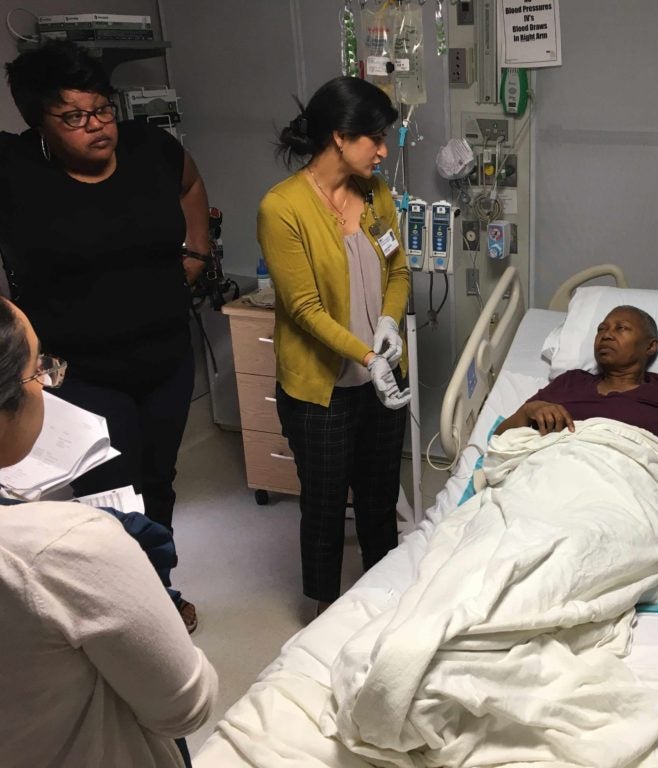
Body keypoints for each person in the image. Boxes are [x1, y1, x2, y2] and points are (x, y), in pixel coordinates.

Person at [0, 41, 212, 630]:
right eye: (74, 116)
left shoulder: (151, 148)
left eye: (102, 109)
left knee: (159, 479)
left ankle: (159, 586)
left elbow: (191, 184)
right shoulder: (15, 170)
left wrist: (197, 251)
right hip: (79, 371)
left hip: (167, 355)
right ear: (39, 124)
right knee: (109, 488)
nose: (96, 125)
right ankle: (124, 605)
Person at [0, 297, 217, 768]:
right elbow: (188, 705)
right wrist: (135, 578)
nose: (47, 384)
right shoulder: (70, 546)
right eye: (39, 370)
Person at [258, 76, 411, 617]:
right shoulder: (284, 208)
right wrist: (365, 357)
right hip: (322, 386)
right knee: (324, 504)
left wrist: (389, 325)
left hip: (384, 375)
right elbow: (303, 309)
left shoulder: (377, 195)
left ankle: (381, 595)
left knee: (378, 493)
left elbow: (399, 271)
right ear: (340, 138)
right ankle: (322, 609)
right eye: (375, 137)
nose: (383, 150)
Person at [497, 305, 658, 510]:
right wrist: (529, 411)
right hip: (549, 481)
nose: (607, 335)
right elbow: (501, 441)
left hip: (634, 497)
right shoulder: (569, 382)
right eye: (601, 329)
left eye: (621, 328)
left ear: (650, 346)